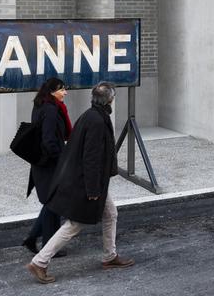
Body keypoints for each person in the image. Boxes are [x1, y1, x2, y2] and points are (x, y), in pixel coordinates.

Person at [26, 83, 135, 284]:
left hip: (92, 182)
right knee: (75, 224)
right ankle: (40, 262)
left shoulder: (92, 115)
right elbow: (91, 158)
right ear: (109, 99)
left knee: (110, 213)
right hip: (88, 184)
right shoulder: (96, 121)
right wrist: (93, 189)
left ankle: (110, 256)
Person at [22, 77, 71, 257]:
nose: (65, 92)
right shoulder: (50, 110)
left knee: (52, 202)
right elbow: (50, 140)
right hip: (49, 164)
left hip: (42, 163)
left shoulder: (40, 105)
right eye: (61, 90)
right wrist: (62, 161)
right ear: (52, 91)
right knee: (53, 203)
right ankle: (48, 246)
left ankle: (34, 238)